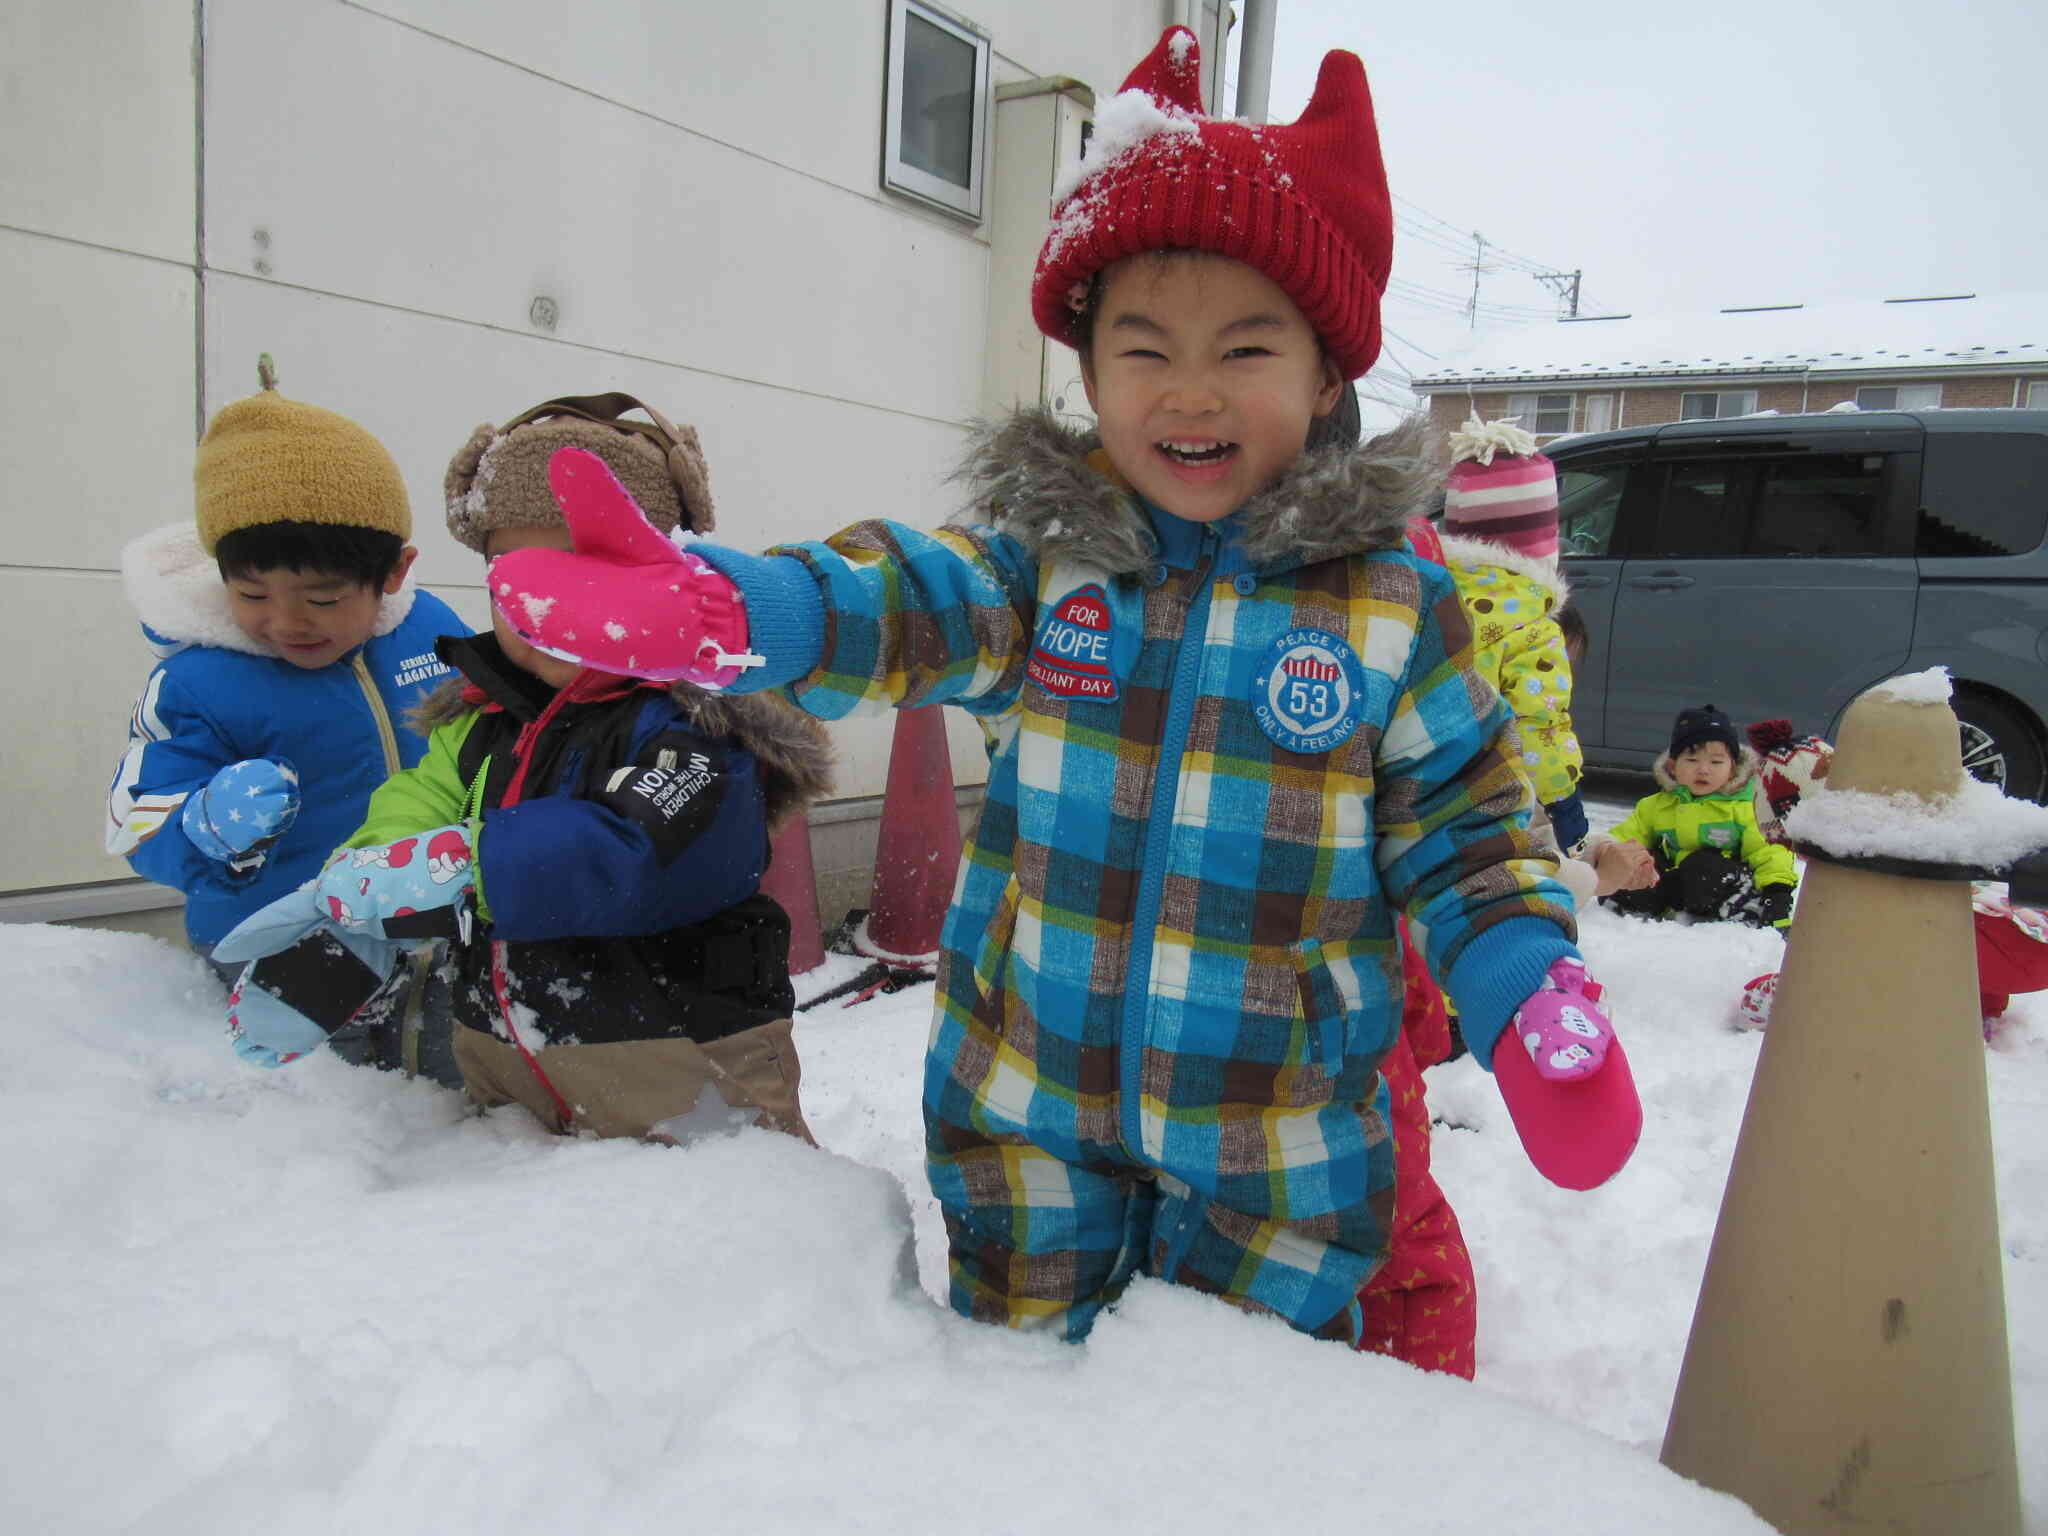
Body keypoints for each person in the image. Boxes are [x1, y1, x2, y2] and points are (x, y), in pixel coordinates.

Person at [483, 28, 1641, 1341]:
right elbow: (901, 603)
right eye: (1143, 349)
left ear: (1327, 374)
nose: (1189, 390)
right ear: (1088, 376)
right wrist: (733, 608)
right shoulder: (1049, 567)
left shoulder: (1387, 605)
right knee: (1027, 1436)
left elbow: (1470, 830)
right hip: (1025, 1128)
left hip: (1274, 1155)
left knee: (1223, 1435)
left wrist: (1522, 978)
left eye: (1246, 350)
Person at [213, 394, 835, 1143]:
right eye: (518, 579)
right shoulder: (482, 716)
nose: (546, 608)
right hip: (507, 1068)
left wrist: (462, 871)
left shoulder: (697, 724)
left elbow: (633, 851)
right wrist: (368, 893)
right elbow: (422, 798)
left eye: (583, 574)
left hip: (681, 1074)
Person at [105, 362, 466, 1081]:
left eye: (324, 599)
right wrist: (203, 830)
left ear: (393, 573)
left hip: (423, 917)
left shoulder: (428, 629)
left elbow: (485, 733)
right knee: (360, 1083)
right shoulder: (198, 680)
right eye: (251, 593)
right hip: (287, 938)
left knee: (463, 1065)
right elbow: (139, 820)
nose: (286, 622)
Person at [1438, 418, 1587, 852]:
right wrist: (1565, 801)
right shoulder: (1531, 624)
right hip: (1487, 792)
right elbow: (1539, 722)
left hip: (1413, 778)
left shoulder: (1424, 591)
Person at [1603, 704, 1796, 930]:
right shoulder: (1658, 805)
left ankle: (1743, 906)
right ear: (1673, 766)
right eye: (1692, 760)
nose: (1703, 769)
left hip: (1726, 881)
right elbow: (1627, 837)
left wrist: (1777, 891)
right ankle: (1659, 901)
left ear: (1732, 769)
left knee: (1702, 866)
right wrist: (1606, 859)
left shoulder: (1744, 807)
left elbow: (1768, 850)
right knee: (1644, 861)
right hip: (1680, 883)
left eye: (1716, 762)